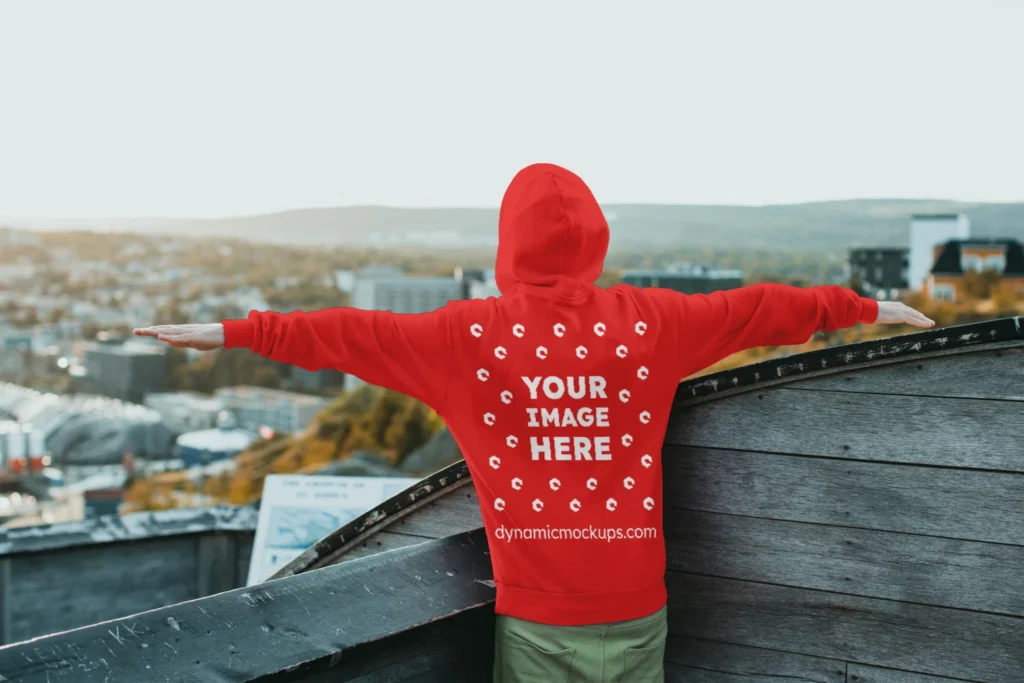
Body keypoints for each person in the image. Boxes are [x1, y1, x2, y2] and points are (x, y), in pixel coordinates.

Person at [136, 163, 934, 682]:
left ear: (507, 243)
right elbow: (762, 307)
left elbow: (340, 333)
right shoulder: (649, 322)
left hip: (540, 621)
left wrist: (235, 333)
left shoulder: (461, 337)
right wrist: (864, 306)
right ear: (596, 241)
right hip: (640, 609)